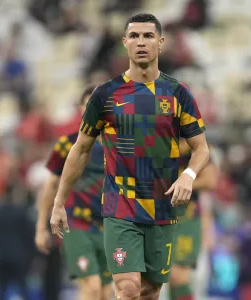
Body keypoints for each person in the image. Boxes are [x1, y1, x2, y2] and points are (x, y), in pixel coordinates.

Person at [50, 13, 210, 300]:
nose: (140, 42)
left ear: (160, 43)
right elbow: (81, 149)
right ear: (124, 43)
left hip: (162, 209)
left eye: (148, 36)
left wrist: (189, 175)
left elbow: (201, 148)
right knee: (127, 289)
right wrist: (59, 201)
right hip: (120, 208)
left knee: (150, 293)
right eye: (134, 36)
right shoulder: (105, 95)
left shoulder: (178, 93)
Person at [35, 84, 113, 300]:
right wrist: (41, 227)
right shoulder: (67, 145)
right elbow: (50, 186)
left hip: (109, 227)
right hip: (77, 225)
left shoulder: (117, 146)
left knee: (107, 293)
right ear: (80, 109)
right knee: (92, 286)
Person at [169, 140, 219, 300]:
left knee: (178, 275)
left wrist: (179, 185)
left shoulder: (193, 142)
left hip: (185, 219)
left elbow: (210, 179)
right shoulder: (149, 136)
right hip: (154, 215)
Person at [0, 185, 34, 300]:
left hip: (0, 255)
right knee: (23, 287)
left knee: (1, 289)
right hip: (19, 256)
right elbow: (29, 234)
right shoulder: (21, 212)